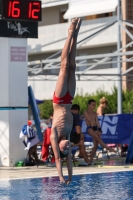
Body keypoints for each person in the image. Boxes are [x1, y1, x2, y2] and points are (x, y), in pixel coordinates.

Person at [50, 18, 82, 184]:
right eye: (68, 148)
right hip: (69, 99)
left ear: (59, 147)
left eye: (65, 148)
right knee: (72, 66)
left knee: (64, 66)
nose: (68, 145)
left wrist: (61, 177)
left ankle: (69, 33)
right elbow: (68, 159)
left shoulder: (55, 136)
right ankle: (76, 35)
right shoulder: (68, 136)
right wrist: (70, 177)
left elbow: (58, 159)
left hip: (60, 99)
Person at [84, 99, 116, 165]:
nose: (94, 107)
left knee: (95, 145)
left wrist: (99, 130)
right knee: (97, 138)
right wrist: (95, 130)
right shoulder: (86, 112)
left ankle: (90, 161)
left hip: (95, 128)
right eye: (92, 105)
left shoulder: (95, 113)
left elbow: (97, 122)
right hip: (90, 128)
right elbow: (90, 121)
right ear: (89, 105)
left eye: (95, 105)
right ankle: (108, 148)